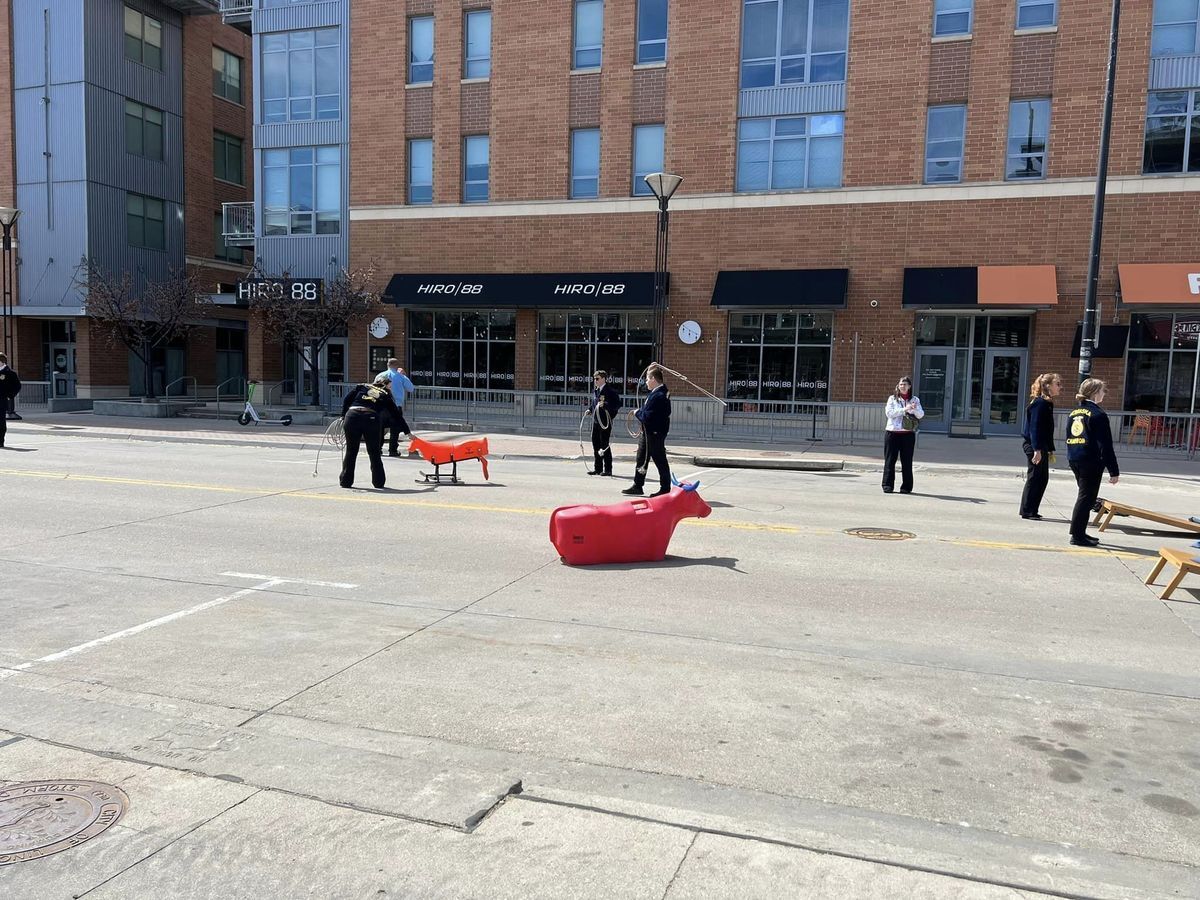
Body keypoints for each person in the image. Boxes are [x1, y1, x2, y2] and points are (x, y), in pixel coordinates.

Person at [1066, 378, 1119, 547]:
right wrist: (1113, 470)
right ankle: (1077, 535)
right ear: (1095, 392)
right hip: (1090, 460)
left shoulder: (1075, 412)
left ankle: (1080, 532)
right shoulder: (1098, 414)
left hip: (1075, 458)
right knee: (1086, 499)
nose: (1104, 394)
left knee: (1086, 497)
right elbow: (1105, 445)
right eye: (1103, 391)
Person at [339, 375, 401, 489]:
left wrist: (343, 415)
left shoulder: (361, 386)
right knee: (374, 452)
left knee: (351, 450)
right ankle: (378, 482)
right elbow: (396, 415)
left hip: (352, 415)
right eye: (390, 386)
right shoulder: (386, 394)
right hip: (370, 417)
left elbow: (347, 400)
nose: (390, 389)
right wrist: (408, 432)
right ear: (386, 385)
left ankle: (345, 481)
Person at [623, 364, 672, 497]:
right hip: (648, 432)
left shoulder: (659, 395)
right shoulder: (656, 393)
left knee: (659, 459)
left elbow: (647, 416)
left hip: (655, 433)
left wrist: (637, 412)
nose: (645, 382)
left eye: (647, 379)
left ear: (653, 379)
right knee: (641, 458)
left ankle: (665, 488)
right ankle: (638, 485)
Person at [1020, 372, 1062, 520]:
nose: (1060, 387)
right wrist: (1037, 450)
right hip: (1033, 445)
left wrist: (1050, 449)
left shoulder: (1047, 403)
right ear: (1048, 386)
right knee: (1035, 477)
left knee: (1042, 478)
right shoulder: (1040, 403)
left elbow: (1047, 429)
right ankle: (1027, 510)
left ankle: (1032, 509)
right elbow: (1035, 428)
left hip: (1040, 445)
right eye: (1057, 384)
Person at [882, 376, 924, 494]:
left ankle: (906, 487)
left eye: (905, 384)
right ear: (898, 386)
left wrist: (914, 409)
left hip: (908, 434)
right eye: (901, 384)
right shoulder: (892, 399)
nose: (903, 386)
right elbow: (889, 413)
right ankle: (887, 485)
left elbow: (921, 415)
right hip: (892, 433)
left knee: (907, 461)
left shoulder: (915, 399)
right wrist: (905, 409)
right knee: (890, 460)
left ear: (909, 386)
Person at [375, 358, 415, 457]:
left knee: (380, 428)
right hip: (396, 406)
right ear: (397, 366)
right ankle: (392, 450)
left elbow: (374, 388)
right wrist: (404, 375)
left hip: (381, 406)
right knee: (394, 429)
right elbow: (411, 389)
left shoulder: (379, 375)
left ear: (387, 365)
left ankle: (378, 449)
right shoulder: (400, 376)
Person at [586, 369, 622, 476]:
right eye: (594, 379)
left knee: (604, 444)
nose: (595, 381)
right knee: (596, 444)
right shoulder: (596, 390)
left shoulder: (610, 391)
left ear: (604, 379)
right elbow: (594, 404)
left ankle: (608, 469)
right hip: (597, 421)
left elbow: (617, 405)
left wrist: (606, 405)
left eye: (597, 379)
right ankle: (597, 468)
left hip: (605, 422)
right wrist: (590, 410)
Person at [0, 352, 21, 448]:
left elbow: (17, 386)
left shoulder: (10, 373)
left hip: (2, 400)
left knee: (1, 422)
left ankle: (0, 441)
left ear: (1, 362)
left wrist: (10, 395)